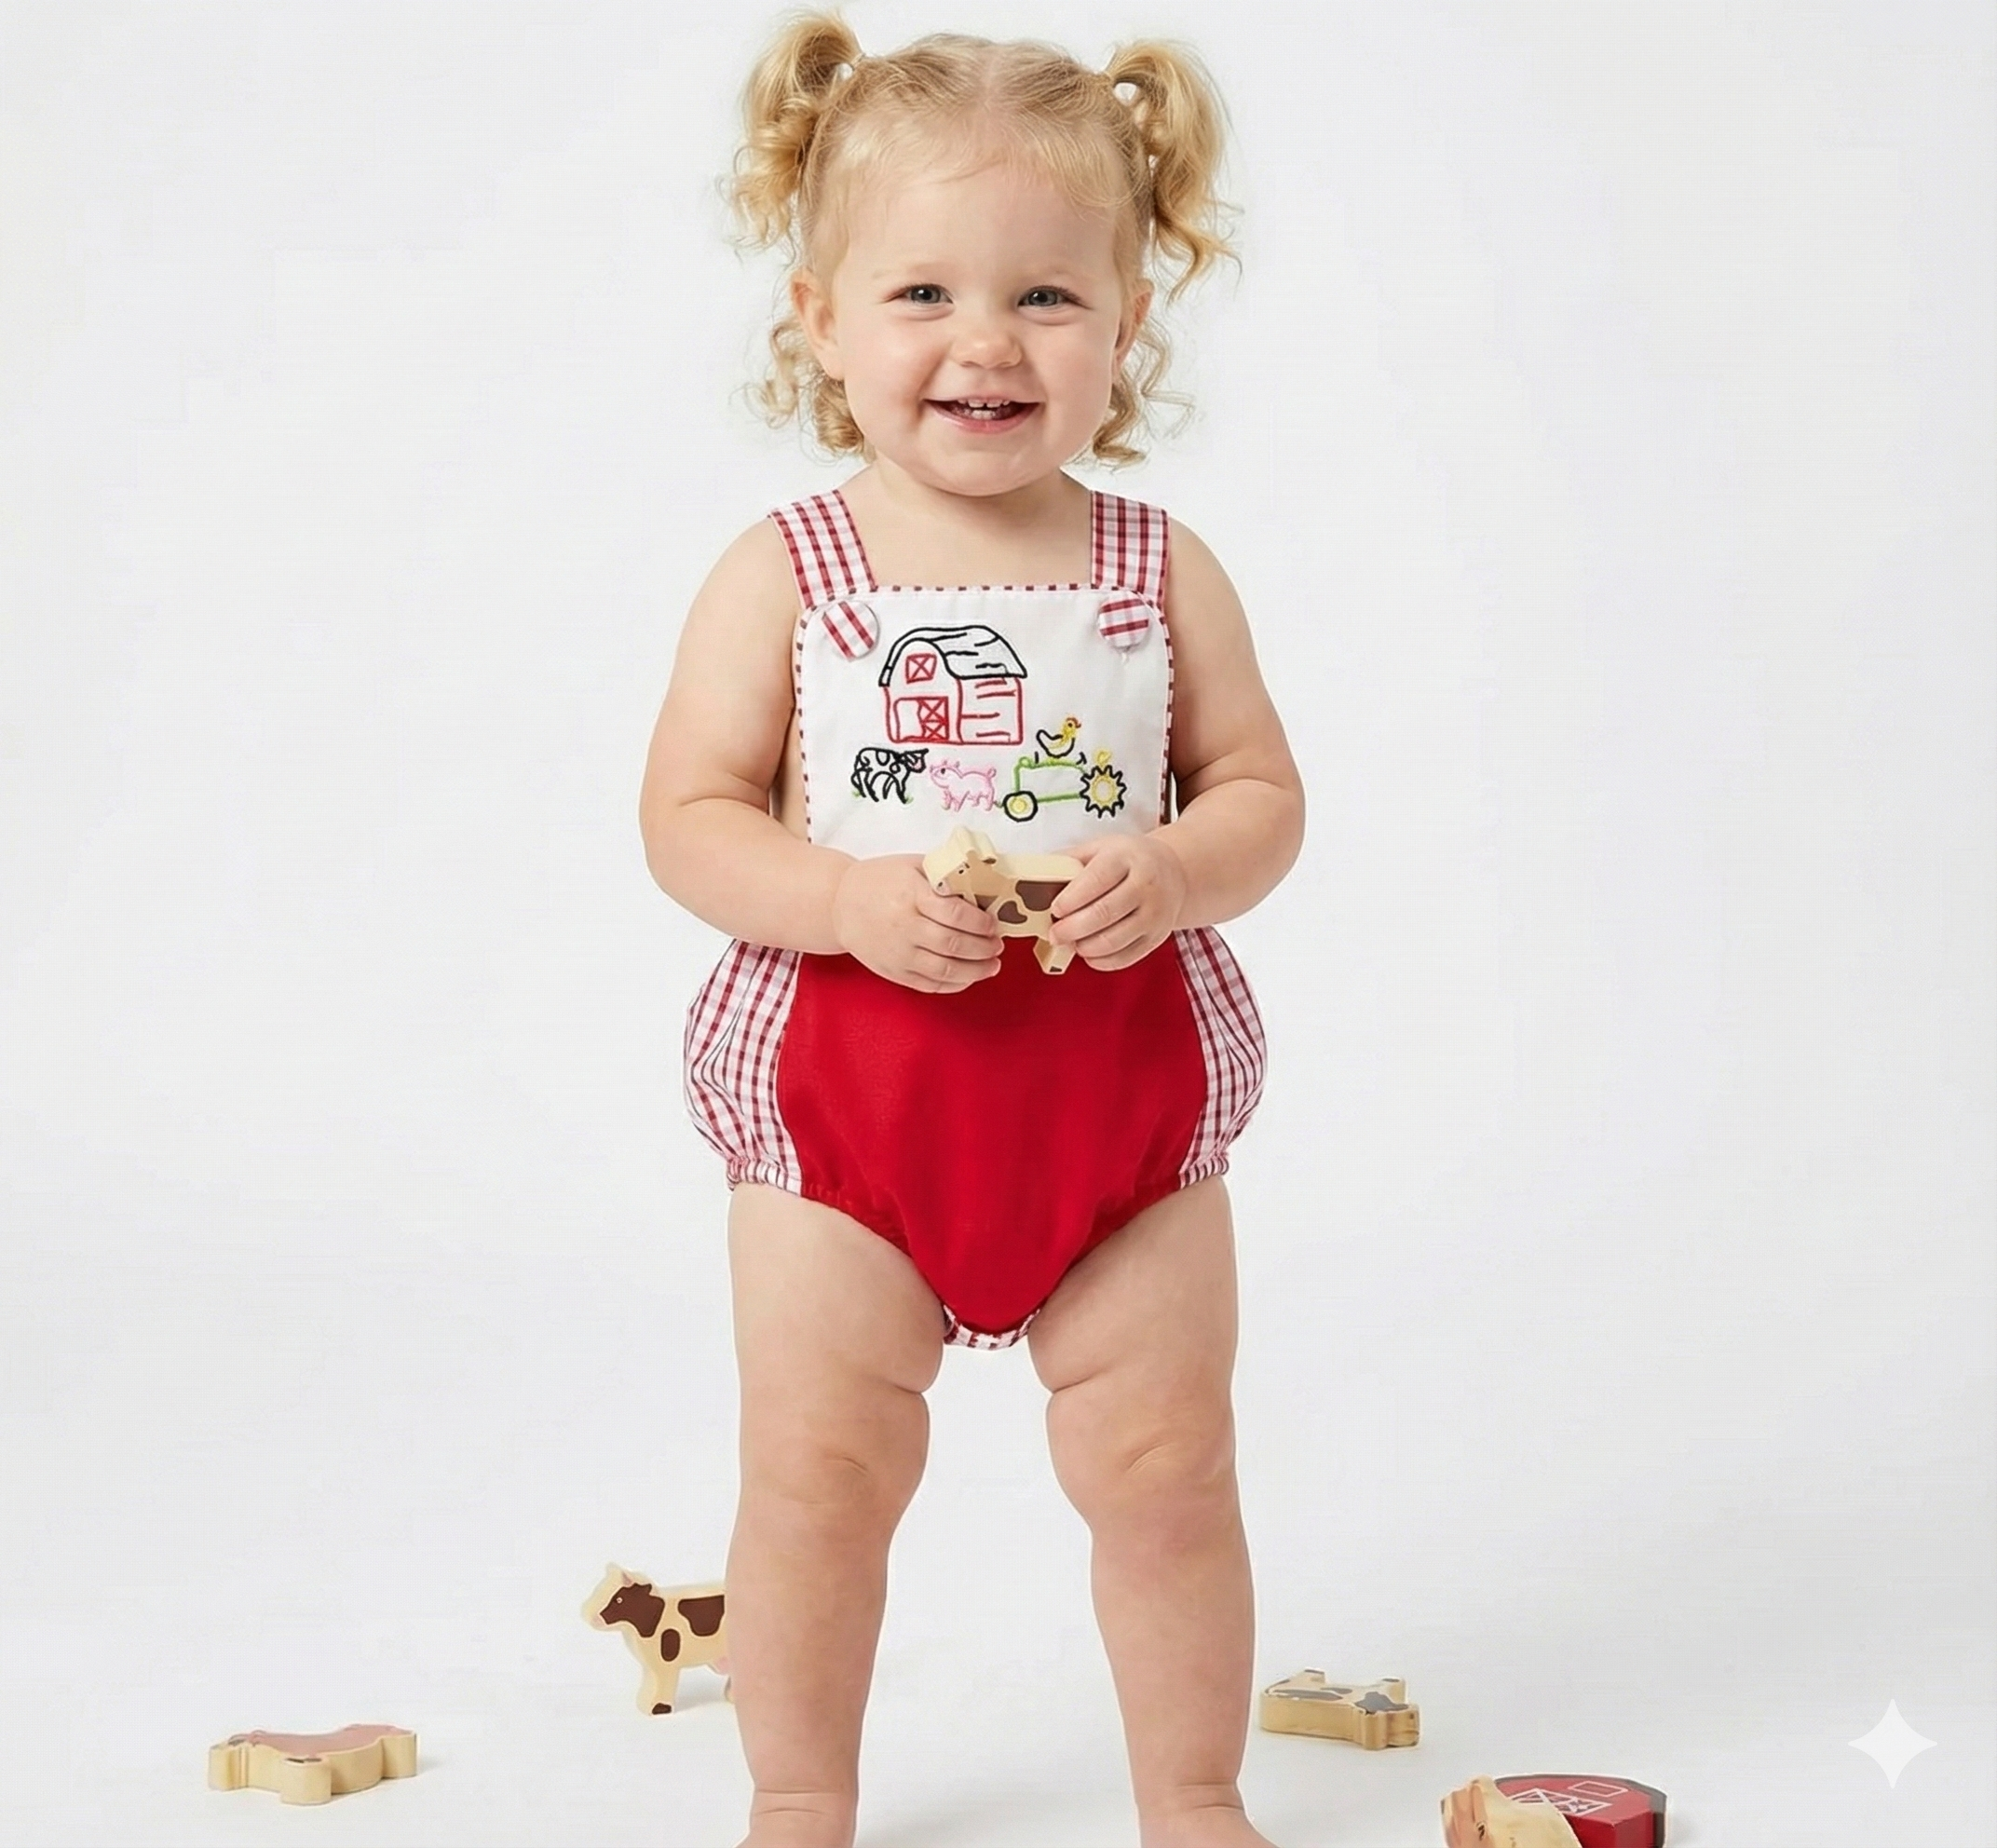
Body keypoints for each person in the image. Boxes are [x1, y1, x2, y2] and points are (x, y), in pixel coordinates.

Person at [639, 14, 1304, 1847]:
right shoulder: (789, 571)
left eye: (1047, 295)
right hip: (848, 1128)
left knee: (1168, 1467)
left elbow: (1261, 792)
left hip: (1117, 1119)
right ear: (819, 318)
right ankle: (800, 1791)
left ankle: (1192, 1792)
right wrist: (841, 897)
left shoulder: (1156, 569)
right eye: (923, 290)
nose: (987, 340)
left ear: (1130, 321)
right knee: (818, 1474)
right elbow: (687, 817)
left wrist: (1177, 869)